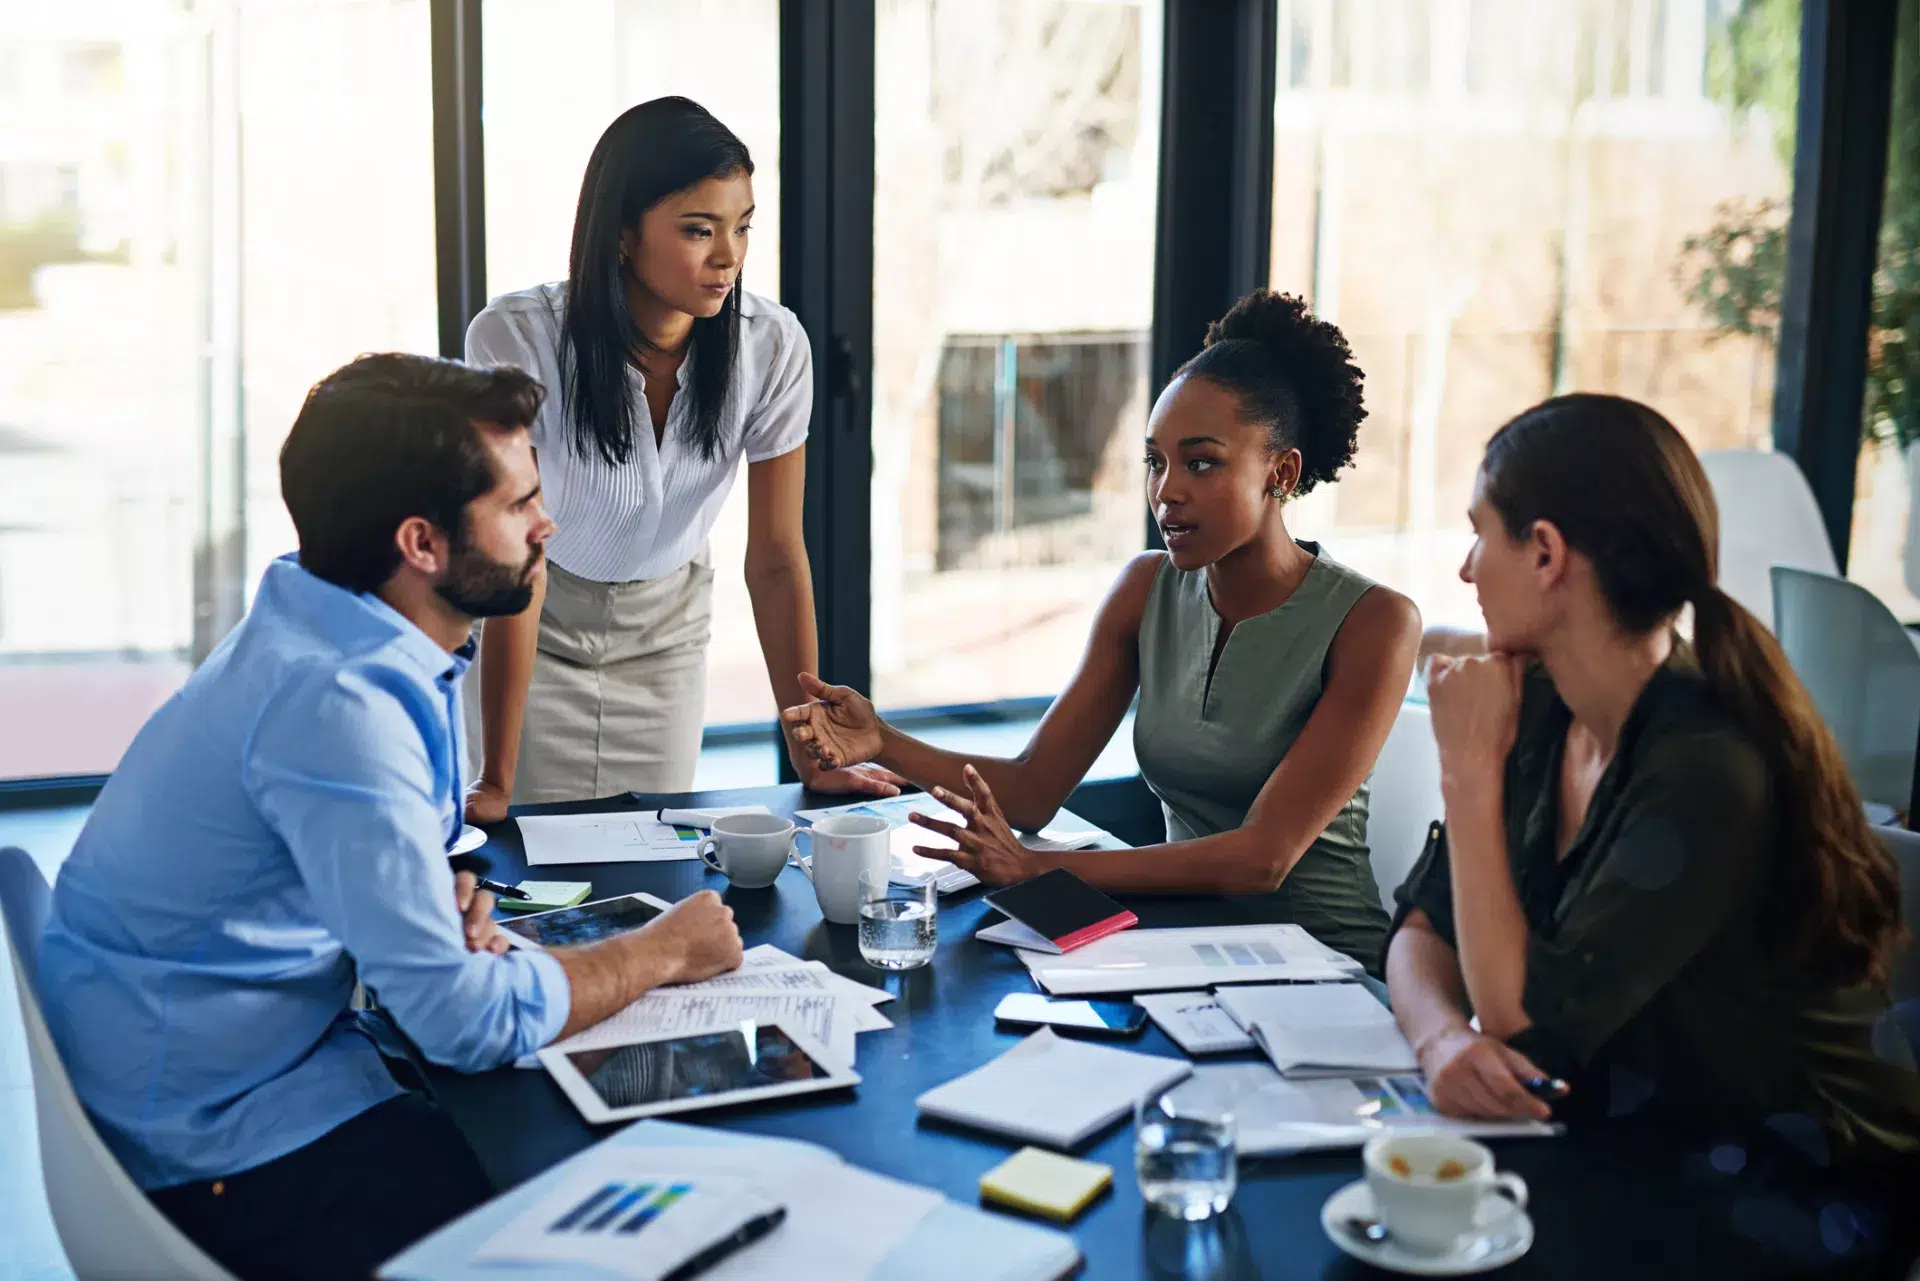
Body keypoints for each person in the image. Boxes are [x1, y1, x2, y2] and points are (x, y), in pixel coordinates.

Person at [37, 354, 745, 1281]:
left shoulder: (329, 625)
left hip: (223, 1063)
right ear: (422, 543)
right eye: (517, 503)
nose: (548, 523)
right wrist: (665, 951)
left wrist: (421, 910)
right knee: (617, 1208)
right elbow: (459, 1023)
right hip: (220, 1149)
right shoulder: (339, 705)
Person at [782, 290, 1421, 972]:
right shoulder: (1146, 590)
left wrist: (1041, 869)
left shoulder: (1375, 621)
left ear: (1281, 473)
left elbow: (1261, 859)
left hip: (1328, 975)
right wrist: (883, 739)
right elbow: (1032, 790)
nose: (1167, 490)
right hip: (1186, 957)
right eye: (1155, 461)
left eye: (1201, 462)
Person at [1384, 393, 1920, 1164]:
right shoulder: (1537, 699)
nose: (1466, 568)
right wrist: (1440, 1041)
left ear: (1545, 553)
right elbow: (1420, 927)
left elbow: (1529, 1028)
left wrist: (1467, 773)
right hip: (1635, 1142)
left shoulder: (1708, 766)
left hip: (1798, 1184)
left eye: (1479, 533)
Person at [463, 96, 900, 815]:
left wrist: (810, 748)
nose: (728, 255)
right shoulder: (517, 340)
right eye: (699, 230)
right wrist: (496, 778)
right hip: (534, 625)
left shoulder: (772, 347)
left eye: (743, 227)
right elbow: (518, 557)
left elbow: (777, 556)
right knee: (535, 884)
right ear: (624, 235)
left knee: (650, 863)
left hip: (665, 634)